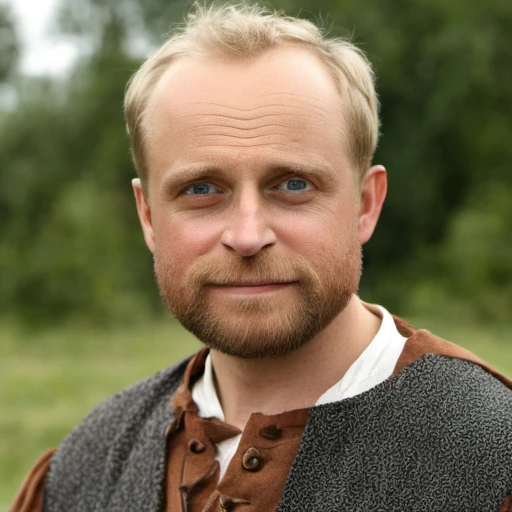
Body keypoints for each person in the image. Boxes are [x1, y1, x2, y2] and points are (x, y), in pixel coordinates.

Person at [10, 4, 512, 512]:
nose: (248, 236)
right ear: (148, 217)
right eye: (201, 188)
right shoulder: (87, 469)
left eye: (293, 185)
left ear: (365, 205)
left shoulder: (494, 458)